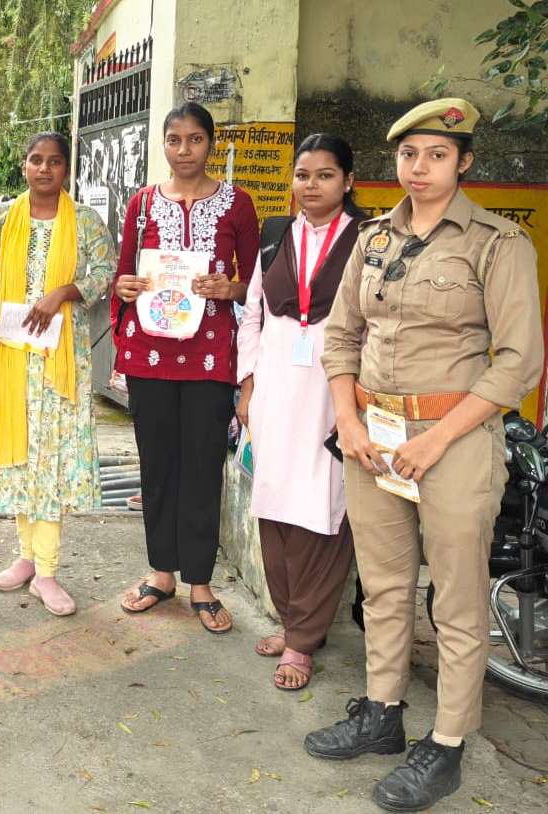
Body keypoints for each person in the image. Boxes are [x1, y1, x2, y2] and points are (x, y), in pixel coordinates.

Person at [307, 98, 543, 812]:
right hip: (373, 440)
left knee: (457, 600)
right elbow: (341, 336)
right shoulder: (373, 238)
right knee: (382, 587)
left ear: (463, 162)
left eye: (437, 155)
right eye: (409, 155)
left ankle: (445, 743)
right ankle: (382, 713)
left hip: (456, 440)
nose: (419, 168)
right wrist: (347, 419)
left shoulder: (497, 244)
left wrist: (437, 438)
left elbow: (519, 362)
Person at [112, 101, 259, 634]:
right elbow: (124, 274)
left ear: (210, 144)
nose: (184, 150)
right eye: (175, 140)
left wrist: (230, 287)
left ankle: (200, 581)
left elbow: (254, 283)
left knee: (201, 465)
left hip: (211, 355)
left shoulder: (238, 205)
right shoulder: (143, 206)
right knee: (158, 466)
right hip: (151, 353)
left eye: (195, 140)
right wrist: (124, 287)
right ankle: (161, 573)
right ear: (165, 145)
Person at [236, 134, 366, 690]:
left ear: (348, 182)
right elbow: (251, 315)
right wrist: (246, 386)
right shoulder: (273, 236)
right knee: (274, 503)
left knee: (324, 508)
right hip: (276, 387)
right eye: (302, 175)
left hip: (334, 388)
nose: (310, 186)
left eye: (324, 175)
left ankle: (303, 641)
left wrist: (357, 403)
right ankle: (293, 621)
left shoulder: (369, 239)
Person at [0, 132, 116, 616]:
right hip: (13, 356)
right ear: (23, 166)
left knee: (52, 461)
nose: (44, 169)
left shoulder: (86, 222)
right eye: (36, 160)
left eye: (54, 162)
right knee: (19, 456)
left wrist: (63, 292)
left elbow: (105, 273)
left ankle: (49, 571)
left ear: (66, 169)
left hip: (61, 361)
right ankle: (26, 558)